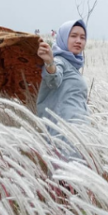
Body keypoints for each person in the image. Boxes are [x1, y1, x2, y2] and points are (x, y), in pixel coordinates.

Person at [36, 19, 89, 159]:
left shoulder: (72, 65)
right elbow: (54, 79)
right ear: (63, 38)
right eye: (73, 36)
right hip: (65, 137)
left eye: (82, 37)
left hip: (79, 135)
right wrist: (49, 62)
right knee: (66, 178)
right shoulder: (59, 61)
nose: (79, 40)